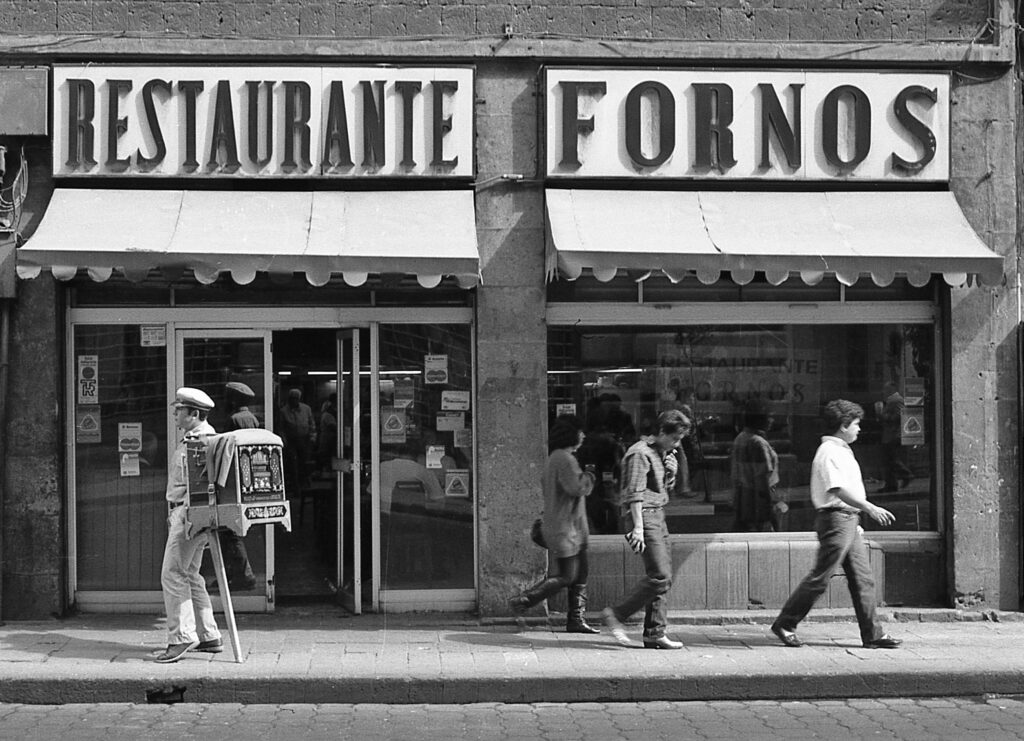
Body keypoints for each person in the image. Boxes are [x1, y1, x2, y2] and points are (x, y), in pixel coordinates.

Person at [770, 400, 902, 650]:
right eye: (856, 424)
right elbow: (838, 489)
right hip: (836, 518)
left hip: (846, 519)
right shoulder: (830, 452)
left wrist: (856, 518)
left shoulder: (840, 450)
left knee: (863, 578)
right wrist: (869, 508)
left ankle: (873, 634)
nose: (859, 429)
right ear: (843, 426)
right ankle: (785, 623)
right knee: (821, 576)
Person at [602, 409, 691, 650]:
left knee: (663, 576)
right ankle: (616, 614)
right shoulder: (639, 454)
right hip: (645, 517)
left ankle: (655, 632)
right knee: (660, 575)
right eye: (675, 438)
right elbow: (634, 492)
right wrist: (638, 528)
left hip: (658, 514)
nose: (677, 443)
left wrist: (671, 472)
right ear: (661, 431)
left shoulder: (661, 452)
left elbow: (663, 489)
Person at [508, 419, 599, 633]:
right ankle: (524, 600)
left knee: (581, 573)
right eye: (580, 432)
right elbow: (576, 488)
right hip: (566, 528)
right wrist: (589, 476)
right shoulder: (565, 459)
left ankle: (576, 619)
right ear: (571, 436)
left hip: (568, 526)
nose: (583, 437)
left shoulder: (554, 458)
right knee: (568, 576)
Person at [156, 387, 223, 663]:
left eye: (180, 410)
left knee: (172, 573)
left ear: (194, 414)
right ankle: (209, 635)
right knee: (191, 575)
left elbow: (199, 488)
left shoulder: (201, 442)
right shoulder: (199, 439)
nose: (175, 414)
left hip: (189, 515)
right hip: (188, 515)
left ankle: (182, 638)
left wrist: (184, 517)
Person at [213, 381, 258, 592]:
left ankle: (243, 575)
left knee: (229, 531)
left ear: (233, 399)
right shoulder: (252, 419)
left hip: (231, 481)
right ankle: (235, 574)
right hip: (245, 480)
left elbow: (225, 452)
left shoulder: (234, 420)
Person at [730, 398, 787, 532]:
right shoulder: (758, 443)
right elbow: (762, 480)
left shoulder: (741, 437)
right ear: (761, 419)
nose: (772, 421)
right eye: (770, 417)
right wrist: (771, 510)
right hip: (757, 503)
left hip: (743, 499)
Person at [278, 388, 316, 497]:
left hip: (305, 440)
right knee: (293, 465)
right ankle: (296, 488)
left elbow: (311, 423)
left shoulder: (306, 409)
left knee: (305, 464)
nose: (294, 400)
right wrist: (283, 442)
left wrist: (313, 438)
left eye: (296, 398)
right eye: (292, 398)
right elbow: (281, 428)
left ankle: (306, 486)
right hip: (291, 442)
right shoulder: (283, 411)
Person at [877, 382, 913, 493]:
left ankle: (906, 474)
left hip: (893, 435)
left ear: (892, 389)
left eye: (886, 389)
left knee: (891, 459)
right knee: (889, 460)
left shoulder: (896, 400)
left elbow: (899, 416)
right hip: (891, 435)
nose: (884, 392)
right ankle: (891, 484)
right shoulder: (893, 400)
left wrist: (881, 413)